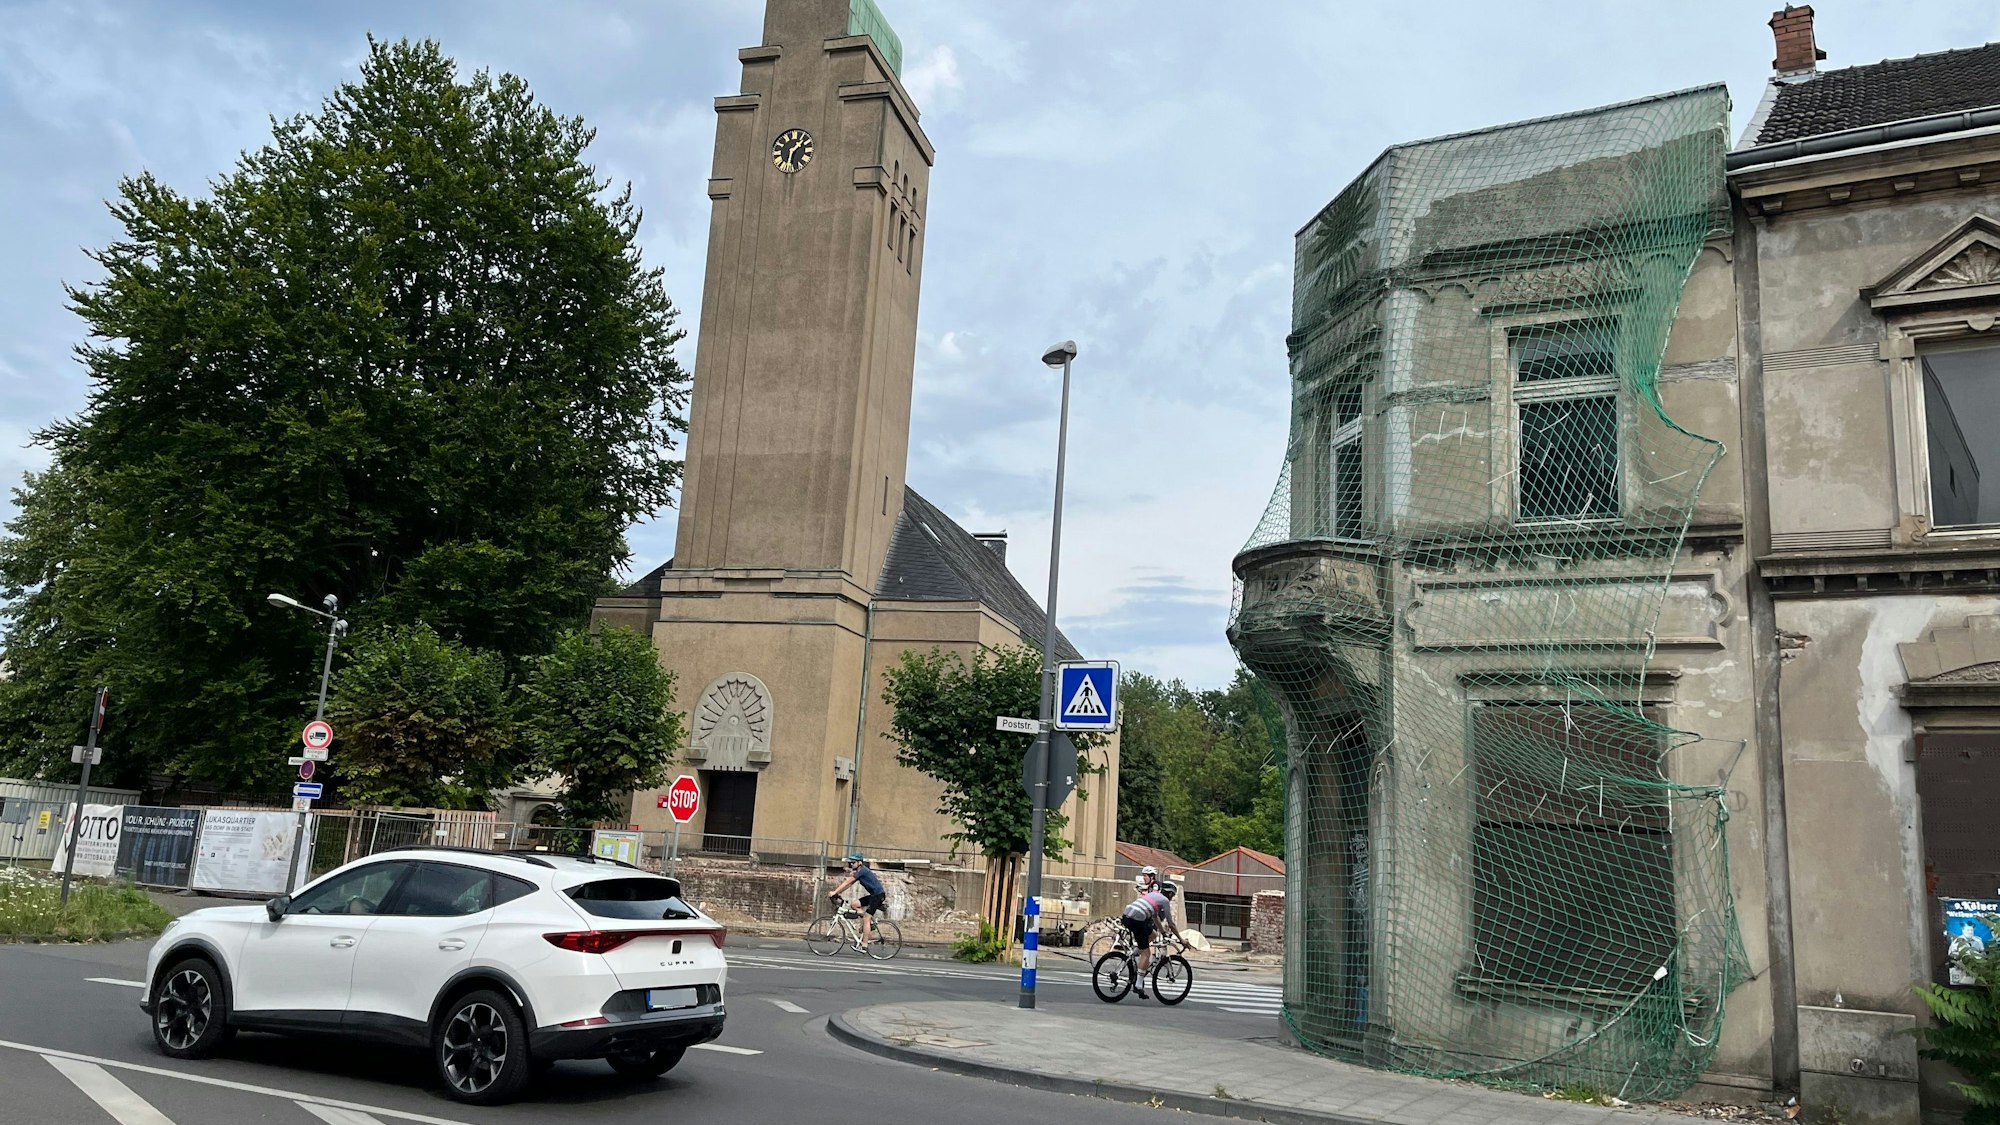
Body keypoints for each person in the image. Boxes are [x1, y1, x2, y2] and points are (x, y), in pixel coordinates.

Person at [1119, 878, 1178, 998]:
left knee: (1153, 935)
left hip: (1127, 915)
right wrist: (1182, 940)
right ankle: (1138, 985)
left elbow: (1155, 917)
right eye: (1172, 895)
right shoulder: (1165, 900)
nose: (1171, 898)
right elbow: (1171, 924)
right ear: (1170, 893)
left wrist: (1162, 932)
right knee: (1146, 953)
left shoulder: (1153, 895)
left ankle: (1135, 952)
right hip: (1137, 919)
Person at [827, 852, 886, 949]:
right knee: (854, 904)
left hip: (878, 896)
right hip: (874, 895)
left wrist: (834, 892)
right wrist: (838, 893)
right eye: (849, 862)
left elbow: (847, 882)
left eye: (853, 862)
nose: (851, 864)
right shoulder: (858, 872)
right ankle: (870, 923)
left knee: (866, 918)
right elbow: (849, 884)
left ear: (859, 863)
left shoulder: (862, 871)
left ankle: (864, 945)